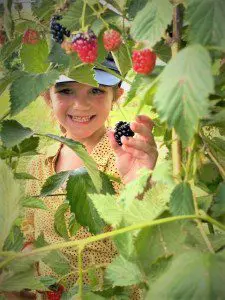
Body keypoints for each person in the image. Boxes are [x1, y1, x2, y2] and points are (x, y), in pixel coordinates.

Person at [21, 55, 158, 299]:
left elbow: (148, 241)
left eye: (96, 90)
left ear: (116, 95)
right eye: (66, 90)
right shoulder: (37, 167)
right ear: (46, 95)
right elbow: (33, 238)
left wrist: (140, 186)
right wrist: (18, 277)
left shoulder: (125, 159)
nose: (81, 105)